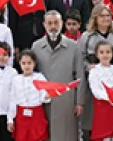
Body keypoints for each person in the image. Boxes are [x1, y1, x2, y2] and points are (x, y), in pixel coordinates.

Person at [31, 11, 82, 141]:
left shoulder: (74, 47)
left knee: (67, 135)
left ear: (62, 24)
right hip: (43, 99)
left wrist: (79, 102)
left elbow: (80, 75)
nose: (53, 26)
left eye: (56, 23)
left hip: (66, 101)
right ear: (44, 25)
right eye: (49, 23)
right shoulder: (36, 47)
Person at [7, 50, 51, 141]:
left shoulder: (39, 77)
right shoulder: (16, 79)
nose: (26, 66)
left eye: (29, 63)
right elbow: (13, 100)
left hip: (36, 115)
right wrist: (10, 119)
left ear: (34, 63)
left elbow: (44, 94)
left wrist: (46, 96)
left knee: (37, 137)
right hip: (21, 116)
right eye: (23, 63)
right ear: (19, 64)